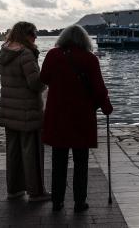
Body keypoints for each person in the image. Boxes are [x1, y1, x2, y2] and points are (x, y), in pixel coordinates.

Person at [40, 25, 113, 212]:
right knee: (81, 161)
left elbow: (44, 78)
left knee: (58, 160)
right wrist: (106, 106)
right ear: (85, 40)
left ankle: (57, 201)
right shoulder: (90, 59)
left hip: (58, 115)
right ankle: (80, 202)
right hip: (82, 117)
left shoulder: (53, 55)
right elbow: (98, 89)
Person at [0, 21, 51, 202]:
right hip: (27, 111)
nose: (36, 37)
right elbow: (35, 83)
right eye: (34, 33)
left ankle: (14, 189)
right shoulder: (26, 54)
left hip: (9, 110)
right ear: (26, 35)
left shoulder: (6, 51)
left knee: (13, 152)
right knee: (32, 152)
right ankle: (36, 192)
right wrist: (47, 80)